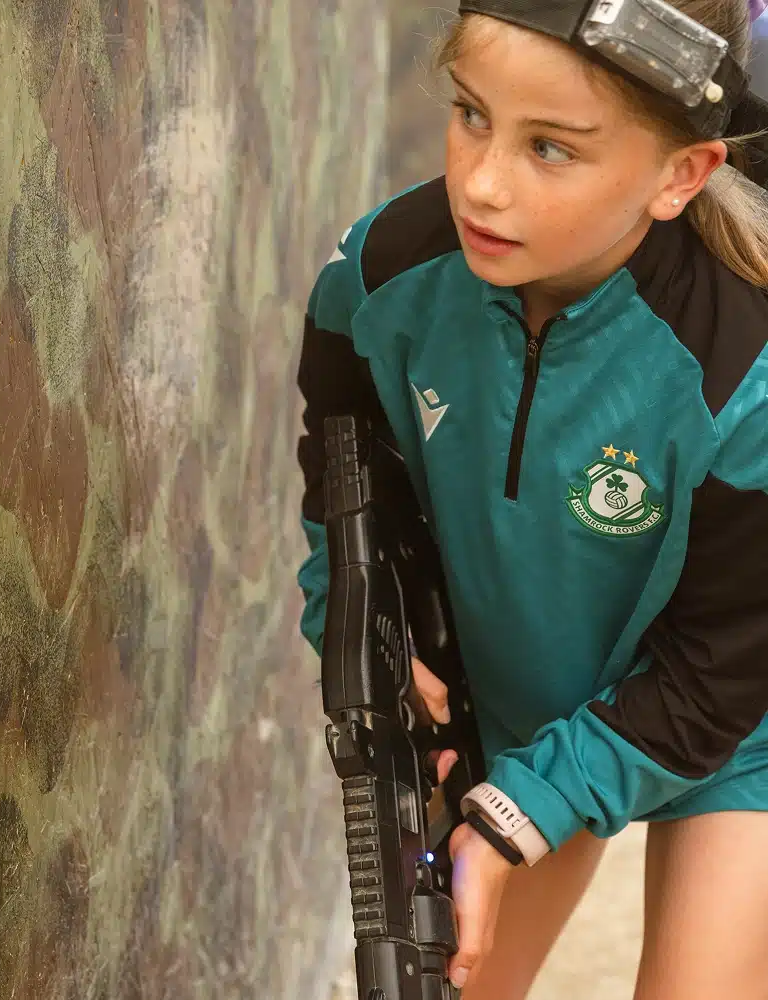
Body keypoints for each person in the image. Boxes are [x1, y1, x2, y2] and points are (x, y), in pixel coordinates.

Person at [294, 1, 768, 997]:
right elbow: (346, 487)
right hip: (522, 708)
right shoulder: (377, 274)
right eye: (471, 115)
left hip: (738, 717)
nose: (481, 182)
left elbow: (722, 667)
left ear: (682, 174)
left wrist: (518, 817)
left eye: (550, 148)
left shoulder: (748, 369)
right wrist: (372, 632)